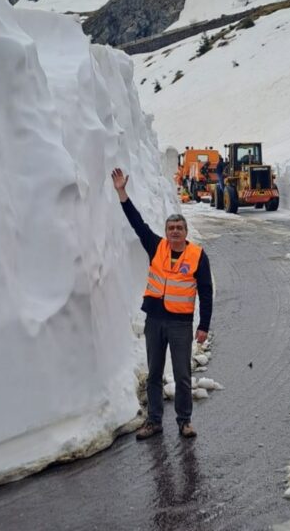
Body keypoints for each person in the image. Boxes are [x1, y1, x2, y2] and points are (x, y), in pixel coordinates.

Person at [111, 168, 213, 440]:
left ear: (186, 231)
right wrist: (122, 193)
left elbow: (206, 291)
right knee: (154, 373)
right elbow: (137, 223)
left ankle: (184, 421)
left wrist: (204, 325)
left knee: (182, 375)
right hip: (155, 321)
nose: (175, 232)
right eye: (171, 228)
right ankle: (154, 421)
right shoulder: (156, 246)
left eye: (179, 228)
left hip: (180, 323)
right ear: (166, 232)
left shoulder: (197, 256)